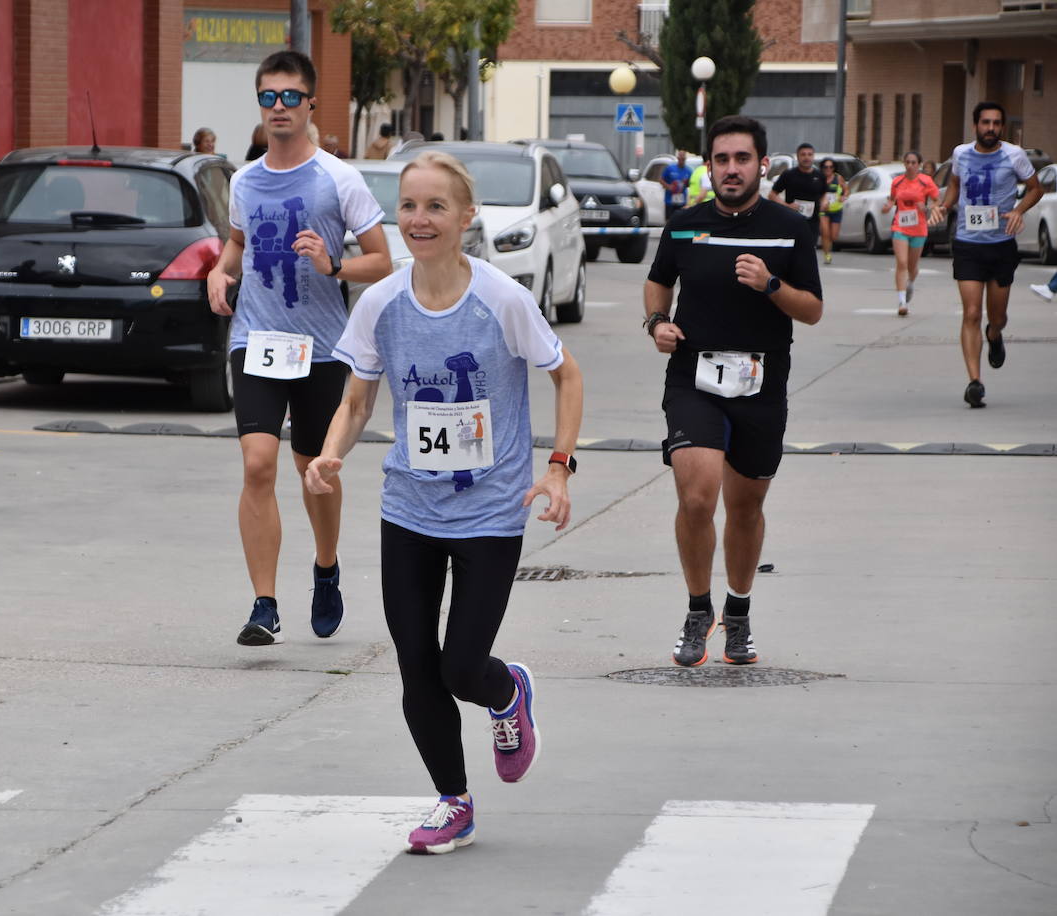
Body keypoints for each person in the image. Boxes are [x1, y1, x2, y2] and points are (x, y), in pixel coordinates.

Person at [305, 150, 583, 854]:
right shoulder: (379, 303)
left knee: (462, 667)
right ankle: (453, 801)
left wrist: (557, 470)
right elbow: (358, 397)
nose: (419, 220)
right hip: (409, 509)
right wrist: (333, 451)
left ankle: (504, 691)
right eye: (408, 206)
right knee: (414, 664)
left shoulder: (502, 299)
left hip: (491, 510)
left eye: (435, 207)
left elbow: (567, 375)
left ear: (466, 217)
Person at [206, 50, 392, 646]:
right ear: (258, 104)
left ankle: (327, 565)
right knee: (258, 465)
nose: (279, 107)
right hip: (256, 340)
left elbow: (383, 261)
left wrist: (332, 263)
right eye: (268, 97)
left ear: (311, 103)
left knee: (316, 469)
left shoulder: (340, 178)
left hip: (323, 348)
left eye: (290, 97)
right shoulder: (244, 179)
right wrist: (218, 270)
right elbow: (236, 244)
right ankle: (264, 604)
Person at [643, 115, 823, 668]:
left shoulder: (789, 227)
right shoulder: (685, 225)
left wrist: (771, 285)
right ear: (709, 165)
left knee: (746, 508)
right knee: (697, 496)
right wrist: (657, 323)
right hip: (694, 378)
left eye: (742, 159)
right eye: (721, 159)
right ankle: (699, 608)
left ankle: (738, 612)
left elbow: (812, 310)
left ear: (762, 165)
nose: (731, 169)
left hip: (762, 383)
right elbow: (658, 282)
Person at [929, 101, 1042, 408]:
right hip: (967, 243)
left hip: (1001, 243)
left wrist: (1018, 211)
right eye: (985, 123)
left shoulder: (1014, 155)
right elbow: (954, 184)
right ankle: (974, 382)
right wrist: (943, 205)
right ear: (975, 125)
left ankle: (994, 335)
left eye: (996, 123)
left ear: (1001, 127)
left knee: (997, 317)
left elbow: (1035, 188)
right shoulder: (961, 154)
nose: (990, 128)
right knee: (971, 313)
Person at [885, 151, 938, 315]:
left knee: (912, 266)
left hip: (919, 228)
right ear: (904, 164)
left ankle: (910, 283)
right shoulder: (897, 182)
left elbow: (937, 200)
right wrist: (888, 205)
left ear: (919, 165)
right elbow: (892, 199)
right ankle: (902, 302)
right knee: (902, 263)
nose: (910, 166)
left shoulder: (926, 181)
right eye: (907, 162)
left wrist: (928, 208)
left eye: (913, 162)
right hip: (900, 226)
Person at [770, 142, 826, 247]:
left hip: (812, 221)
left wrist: (823, 204)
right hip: (792, 219)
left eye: (809, 154)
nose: (806, 157)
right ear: (798, 156)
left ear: (813, 156)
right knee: (793, 248)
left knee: (809, 249)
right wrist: (787, 206)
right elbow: (772, 195)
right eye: (803, 154)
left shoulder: (819, 176)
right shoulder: (789, 175)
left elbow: (824, 194)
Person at [818, 156, 849, 264]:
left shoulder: (838, 178)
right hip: (823, 210)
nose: (828, 169)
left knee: (834, 236)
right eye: (826, 167)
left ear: (834, 168)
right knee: (825, 233)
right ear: (822, 168)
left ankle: (828, 246)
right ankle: (827, 254)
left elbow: (846, 190)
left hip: (836, 209)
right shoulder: (819, 178)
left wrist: (843, 197)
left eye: (831, 167)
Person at [661, 150, 693, 216]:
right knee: (669, 221)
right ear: (677, 158)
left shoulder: (689, 171)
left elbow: (690, 184)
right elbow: (661, 180)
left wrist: (686, 183)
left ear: (685, 159)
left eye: (683, 159)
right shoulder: (670, 168)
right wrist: (669, 187)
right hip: (670, 201)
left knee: (680, 221)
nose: (681, 160)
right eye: (680, 158)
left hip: (682, 201)